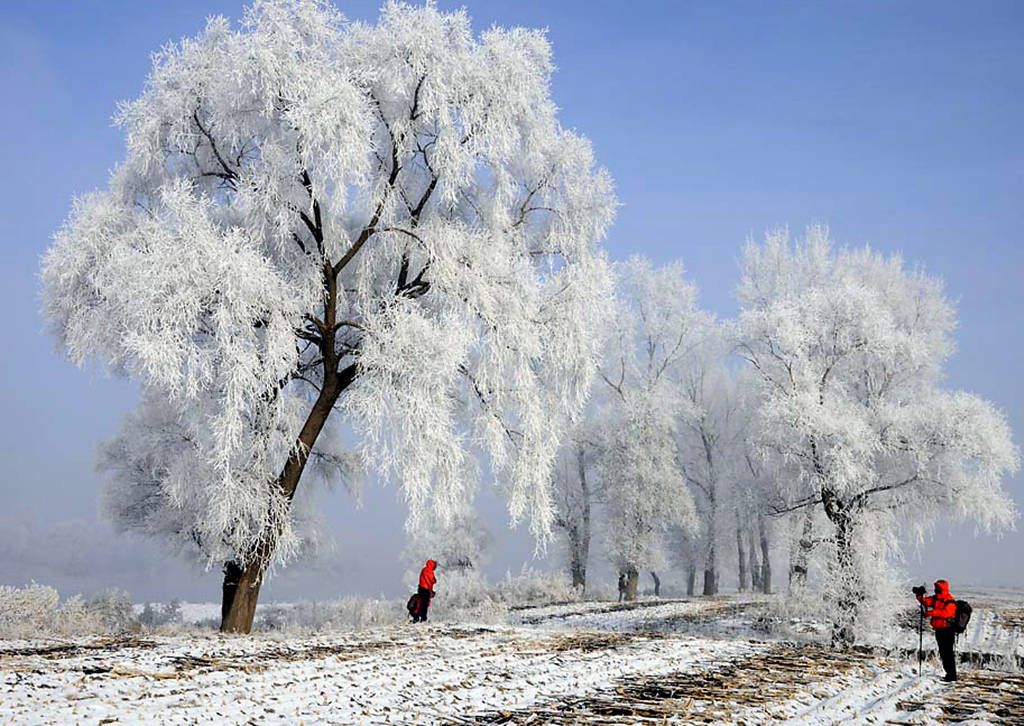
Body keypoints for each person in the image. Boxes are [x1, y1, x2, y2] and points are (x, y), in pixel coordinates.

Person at [914, 579, 958, 682]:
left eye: (937, 588)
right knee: (943, 653)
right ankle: (949, 675)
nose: (935, 589)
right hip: (939, 629)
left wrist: (930, 613)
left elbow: (946, 613)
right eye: (935, 587)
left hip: (948, 630)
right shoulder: (936, 599)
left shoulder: (949, 600)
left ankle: (952, 676)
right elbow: (925, 602)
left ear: (943, 588)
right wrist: (919, 595)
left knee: (948, 653)